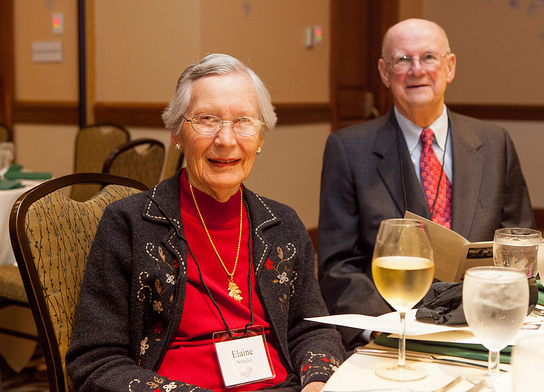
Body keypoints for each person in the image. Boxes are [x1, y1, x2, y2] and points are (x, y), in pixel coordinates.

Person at [66, 53, 345, 391]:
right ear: (177, 133)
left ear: (260, 138)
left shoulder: (283, 224)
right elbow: (95, 360)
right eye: (207, 119)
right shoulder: (129, 224)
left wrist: (317, 382)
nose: (226, 140)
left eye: (243, 121)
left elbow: (311, 327)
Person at [317, 18, 535, 350]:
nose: (417, 69)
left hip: (484, 327)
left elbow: (518, 244)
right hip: (391, 331)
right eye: (402, 59)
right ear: (385, 72)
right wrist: (385, 329)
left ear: (450, 67)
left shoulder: (495, 144)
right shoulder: (347, 150)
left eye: (429, 57)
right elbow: (338, 264)